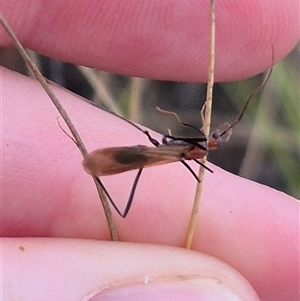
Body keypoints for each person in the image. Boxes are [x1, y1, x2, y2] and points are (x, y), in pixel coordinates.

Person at [1, 1, 299, 300]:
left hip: (150, 154)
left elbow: (186, 147)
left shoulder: (194, 152)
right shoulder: (197, 150)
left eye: (214, 140)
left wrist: (182, 142)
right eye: (214, 138)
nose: (214, 138)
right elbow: (190, 144)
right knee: (144, 140)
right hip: (155, 152)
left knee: (140, 143)